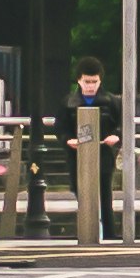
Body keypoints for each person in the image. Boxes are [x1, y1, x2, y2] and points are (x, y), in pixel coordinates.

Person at [56, 57, 125, 233]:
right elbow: (60, 128)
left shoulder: (112, 102)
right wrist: (67, 140)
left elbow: (122, 126)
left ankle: (108, 233)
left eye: (94, 82)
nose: (90, 86)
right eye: (87, 82)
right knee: (80, 191)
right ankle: (89, 230)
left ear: (100, 80)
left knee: (104, 193)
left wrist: (116, 137)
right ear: (79, 80)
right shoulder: (68, 103)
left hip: (103, 155)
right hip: (77, 156)